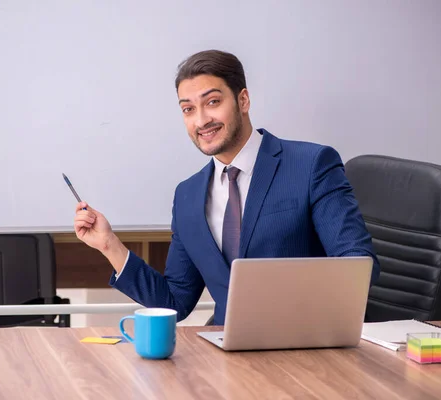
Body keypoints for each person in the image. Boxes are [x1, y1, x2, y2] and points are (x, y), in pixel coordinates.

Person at [73, 49, 380, 325]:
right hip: (225, 354)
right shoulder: (188, 196)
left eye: (213, 102)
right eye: (188, 109)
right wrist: (109, 244)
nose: (202, 120)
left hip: (306, 345)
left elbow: (357, 265)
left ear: (243, 100)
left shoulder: (311, 164)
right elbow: (175, 302)